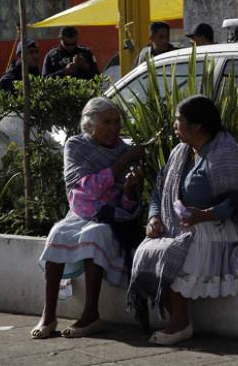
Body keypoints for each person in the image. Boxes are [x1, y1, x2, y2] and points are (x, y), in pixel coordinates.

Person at [127, 95, 238, 345]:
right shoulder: (180, 152)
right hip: (180, 224)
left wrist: (205, 215)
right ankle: (177, 318)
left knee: (176, 248)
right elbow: (159, 189)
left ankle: (180, 322)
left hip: (217, 226)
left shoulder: (225, 152)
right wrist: (154, 217)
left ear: (198, 126)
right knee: (147, 249)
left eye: (179, 120)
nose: (174, 125)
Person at [31, 97, 145, 339]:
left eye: (117, 122)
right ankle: (48, 314)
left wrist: (129, 187)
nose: (115, 128)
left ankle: (91, 313)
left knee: (95, 234)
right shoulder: (76, 146)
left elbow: (128, 205)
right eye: (107, 122)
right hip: (80, 212)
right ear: (90, 125)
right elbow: (85, 189)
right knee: (57, 232)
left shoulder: (126, 150)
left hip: (110, 218)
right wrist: (122, 162)